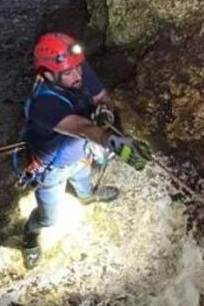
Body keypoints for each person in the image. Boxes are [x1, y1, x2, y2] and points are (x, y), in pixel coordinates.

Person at [19, 32, 150, 268]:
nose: (78, 75)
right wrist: (110, 139)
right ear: (48, 75)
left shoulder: (75, 67)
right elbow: (81, 128)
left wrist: (106, 111)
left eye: (78, 67)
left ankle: (87, 196)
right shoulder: (43, 103)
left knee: (85, 183)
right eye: (69, 73)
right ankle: (30, 233)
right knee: (50, 218)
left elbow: (102, 96)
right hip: (53, 170)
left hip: (81, 156)